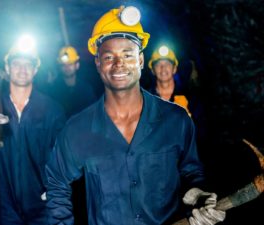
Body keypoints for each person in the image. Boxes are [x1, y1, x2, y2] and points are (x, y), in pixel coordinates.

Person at [45, 6, 226, 225]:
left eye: (128, 55)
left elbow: (191, 172)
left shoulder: (177, 120)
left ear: (140, 61)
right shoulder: (77, 129)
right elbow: (56, 183)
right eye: (109, 56)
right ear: (98, 63)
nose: (119, 64)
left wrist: (197, 193)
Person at [0, 36, 66, 225]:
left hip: (42, 206)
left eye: (28, 64)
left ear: (35, 69)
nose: (22, 70)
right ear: (7, 68)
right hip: (4, 206)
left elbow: (61, 157)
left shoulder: (52, 110)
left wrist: (55, 192)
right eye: (17, 64)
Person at [48, 46, 97, 117]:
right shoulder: (54, 91)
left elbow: (93, 112)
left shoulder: (86, 89)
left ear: (77, 65)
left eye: (70, 64)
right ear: (60, 67)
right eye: (64, 65)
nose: (67, 68)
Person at [147, 45, 191, 116]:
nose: (163, 68)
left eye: (167, 64)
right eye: (158, 64)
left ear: (174, 69)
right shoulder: (145, 99)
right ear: (153, 70)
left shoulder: (190, 97)